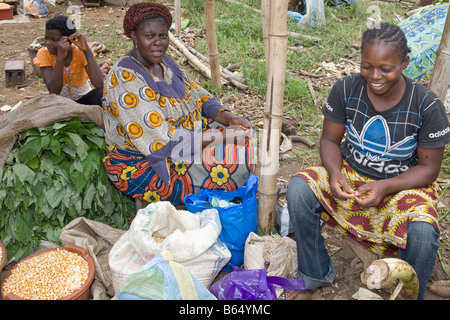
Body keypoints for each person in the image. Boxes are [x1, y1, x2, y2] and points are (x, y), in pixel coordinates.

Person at [286, 22, 450, 300]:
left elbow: (429, 169)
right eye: (367, 66)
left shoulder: (427, 105)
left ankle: (412, 294)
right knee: (299, 189)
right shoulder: (346, 89)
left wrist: (385, 187)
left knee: (422, 233)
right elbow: (329, 141)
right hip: (352, 175)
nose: (375, 76)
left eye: (386, 68)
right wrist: (336, 172)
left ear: (405, 62)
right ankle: (314, 273)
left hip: (404, 185)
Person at [101, 2, 255, 206]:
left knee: (245, 135)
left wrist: (227, 117)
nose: (158, 43)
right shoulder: (124, 80)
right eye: (149, 36)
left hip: (187, 139)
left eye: (162, 36)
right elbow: (164, 142)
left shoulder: (165, 62)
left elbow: (197, 94)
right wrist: (221, 137)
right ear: (133, 37)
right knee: (235, 163)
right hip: (145, 164)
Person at [33, 15, 104, 106]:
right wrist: (60, 58)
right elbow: (54, 91)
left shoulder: (79, 51)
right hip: (60, 103)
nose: (48, 43)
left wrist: (87, 51)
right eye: (46, 38)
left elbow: (99, 84)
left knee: (102, 94)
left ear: (69, 40)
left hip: (83, 99)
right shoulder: (44, 53)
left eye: (54, 40)